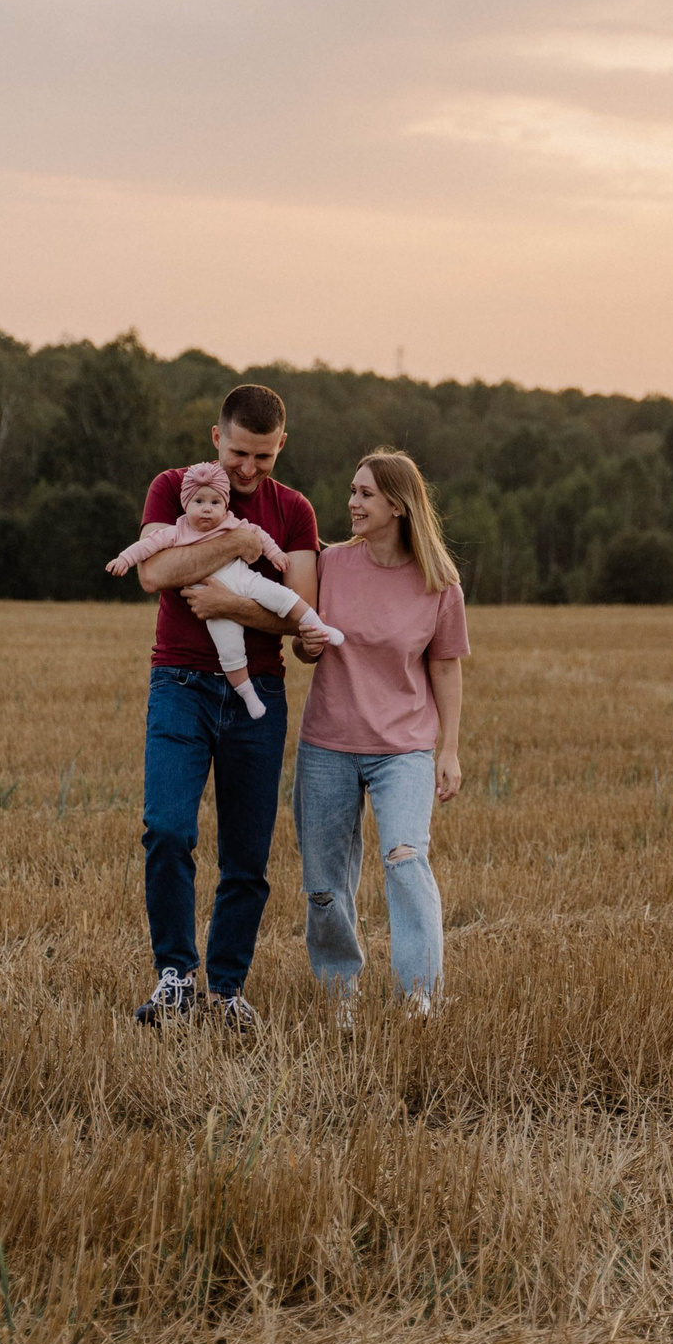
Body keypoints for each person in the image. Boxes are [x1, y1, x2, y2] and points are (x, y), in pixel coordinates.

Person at [128, 385, 325, 1028]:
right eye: (239, 452)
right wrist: (236, 549)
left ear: (281, 448)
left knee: (247, 855)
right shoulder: (172, 486)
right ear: (217, 437)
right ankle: (176, 980)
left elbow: (299, 618)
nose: (248, 469)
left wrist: (228, 604)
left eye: (263, 458)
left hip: (258, 695)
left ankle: (228, 989)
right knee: (167, 831)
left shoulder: (295, 511)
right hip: (179, 685)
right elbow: (154, 575)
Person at [292, 448, 469, 1022]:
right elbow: (301, 643)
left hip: (404, 749)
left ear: (398, 504)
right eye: (351, 491)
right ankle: (339, 994)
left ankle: (418, 995)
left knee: (405, 857)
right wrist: (305, 646)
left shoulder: (440, 583)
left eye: (365, 493)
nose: (352, 503)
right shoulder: (331, 564)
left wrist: (450, 749)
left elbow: (445, 666)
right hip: (327, 743)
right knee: (323, 882)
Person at [107, 462, 343, 720]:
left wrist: (275, 555)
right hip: (206, 609)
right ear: (186, 504)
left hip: (244, 580)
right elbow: (147, 551)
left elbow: (258, 536)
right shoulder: (178, 531)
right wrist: (124, 559)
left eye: (215, 503)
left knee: (283, 597)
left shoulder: (232, 522)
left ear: (225, 505)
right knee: (230, 651)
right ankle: (248, 696)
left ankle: (320, 627)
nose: (207, 508)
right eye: (198, 502)